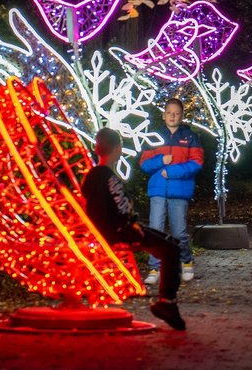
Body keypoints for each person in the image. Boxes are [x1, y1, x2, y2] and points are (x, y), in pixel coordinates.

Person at [82, 128, 186, 330]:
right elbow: (97, 212)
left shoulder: (105, 174)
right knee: (170, 249)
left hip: (128, 227)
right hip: (121, 232)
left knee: (171, 245)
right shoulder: (99, 176)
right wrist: (118, 233)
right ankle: (167, 303)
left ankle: (167, 302)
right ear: (118, 149)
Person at [139, 98, 204, 286]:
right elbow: (144, 163)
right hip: (157, 190)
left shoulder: (191, 137)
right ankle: (154, 267)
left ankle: (186, 262)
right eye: (169, 112)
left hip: (180, 191)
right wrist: (161, 161)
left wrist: (172, 171)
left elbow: (196, 163)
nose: (172, 116)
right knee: (155, 230)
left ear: (181, 115)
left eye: (176, 113)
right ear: (164, 114)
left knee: (179, 231)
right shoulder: (154, 136)